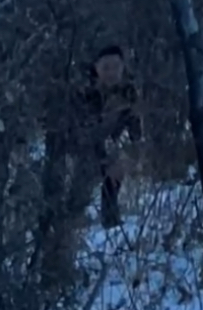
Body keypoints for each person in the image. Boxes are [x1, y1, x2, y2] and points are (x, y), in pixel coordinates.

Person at [46, 44, 142, 229]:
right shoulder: (85, 92)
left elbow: (134, 122)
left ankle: (110, 218)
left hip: (108, 142)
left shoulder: (128, 91)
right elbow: (82, 130)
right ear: (96, 68)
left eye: (116, 67)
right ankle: (66, 222)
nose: (112, 73)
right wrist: (105, 155)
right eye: (106, 68)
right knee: (80, 185)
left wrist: (132, 145)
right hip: (78, 145)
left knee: (115, 172)